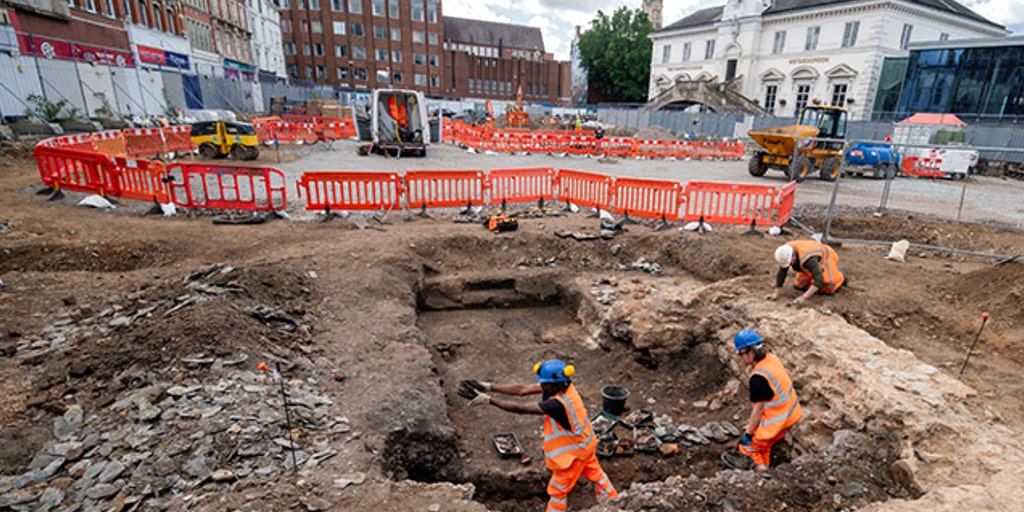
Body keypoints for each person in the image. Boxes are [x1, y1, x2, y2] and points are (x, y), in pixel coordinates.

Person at [459, 360, 619, 511]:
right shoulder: (564, 386)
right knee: (598, 476)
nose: (542, 385)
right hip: (586, 443)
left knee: (557, 493)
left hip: (572, 457)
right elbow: (522, 390)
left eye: (545, 383)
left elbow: (522, 408)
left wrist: (489, 400)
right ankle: (616, 504)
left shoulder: (558, 404)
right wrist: (489, 386)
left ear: (554, 383)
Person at [733, 329, 803, 473]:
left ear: (750, 352)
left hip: (778, 421)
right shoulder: (772, 359)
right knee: (763, 446)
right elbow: (787, 375)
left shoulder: (758, 377)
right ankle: (765, 466)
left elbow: (758, 409)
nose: (740, 358)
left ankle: (762, 476)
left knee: (748, 448)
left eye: (741, 354)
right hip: (792, 413)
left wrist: (748, 433)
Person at [768, 240, 846, 303]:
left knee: (829, 286)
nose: (790, 265)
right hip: (808, 263)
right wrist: (776, 293)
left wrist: (803, 297)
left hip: (826, 256)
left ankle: (841, 275)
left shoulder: (809, 259)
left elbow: (819, 280)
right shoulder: (785, 251)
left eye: (790, 262)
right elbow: (782, 272)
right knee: (799, 286)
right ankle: (814, 274)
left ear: (794, 256)